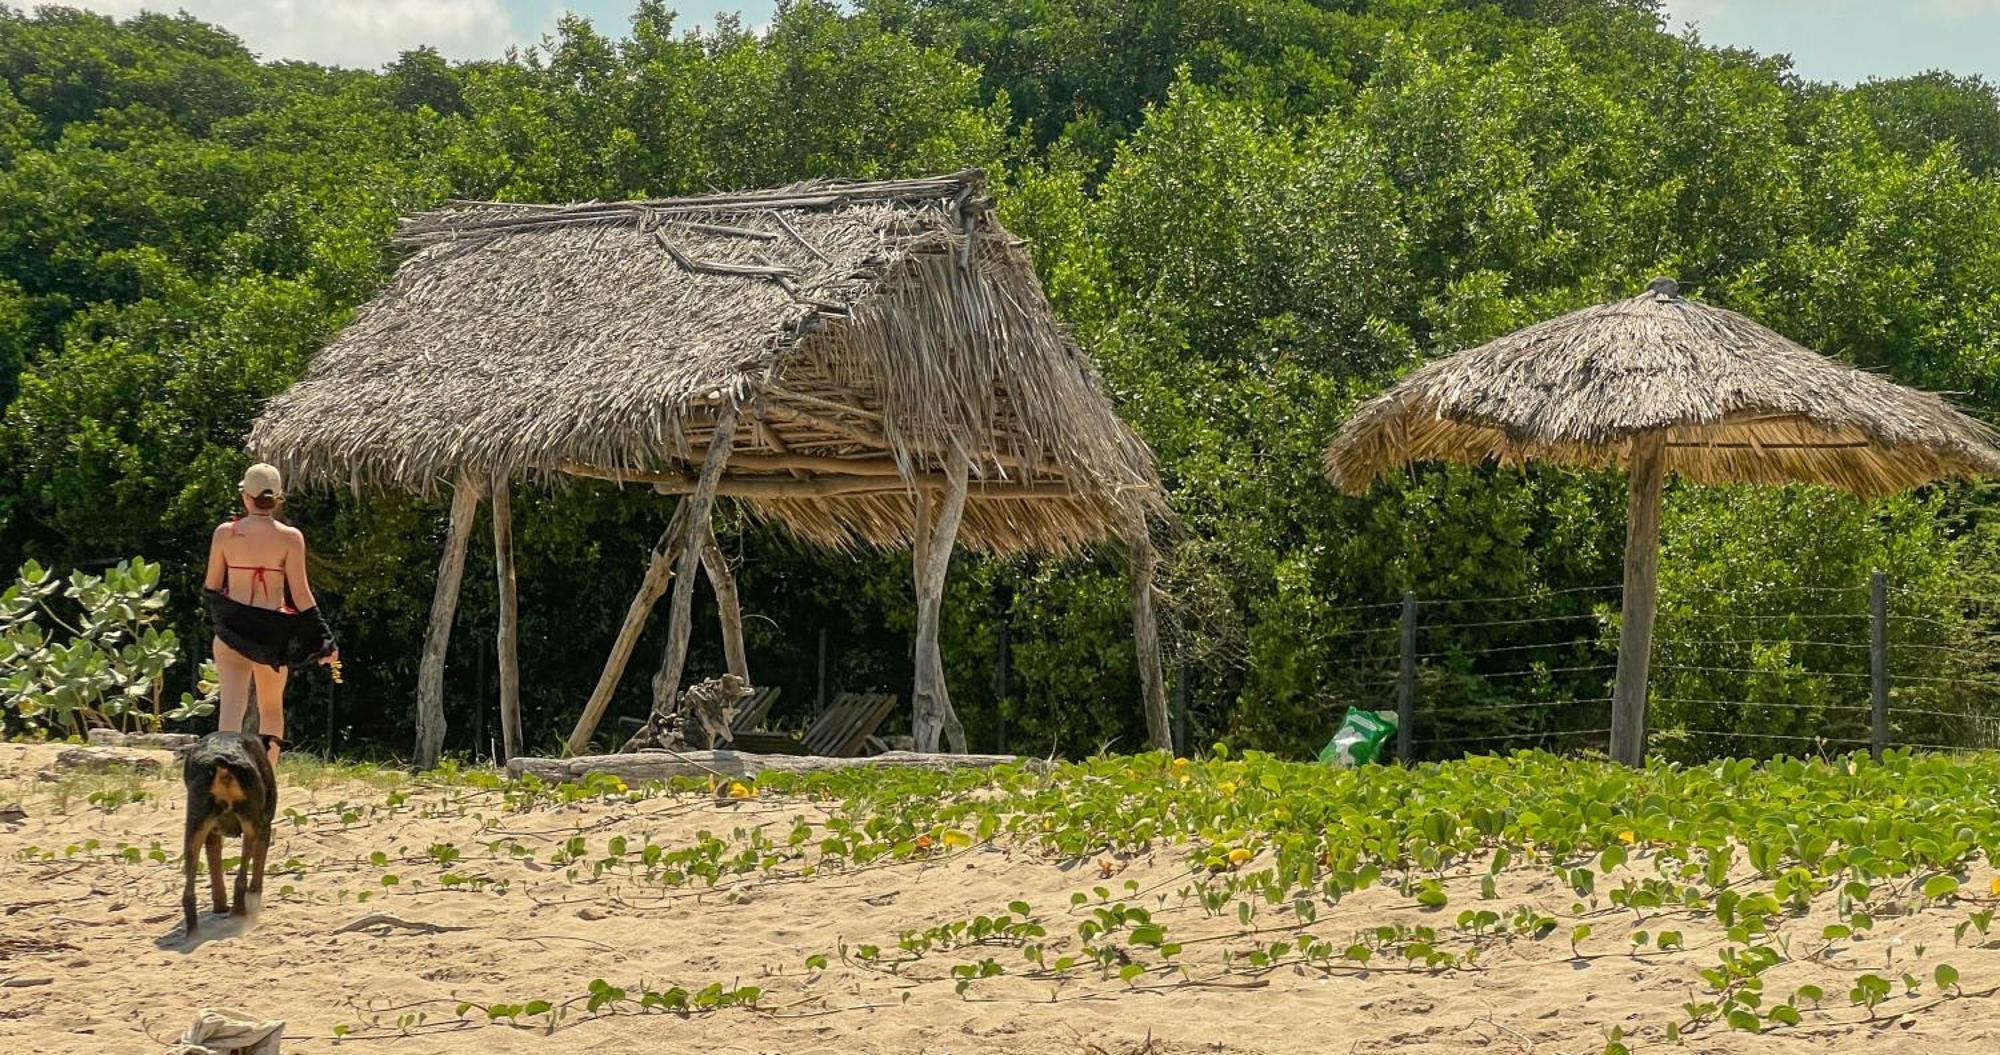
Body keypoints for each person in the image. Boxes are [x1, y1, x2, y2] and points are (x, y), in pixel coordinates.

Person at [202, 463, 337, 765]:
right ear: (278, 499)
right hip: (272, 634)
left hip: (233, 631)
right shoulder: (291, 537)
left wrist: (226, 619)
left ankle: (227, 774)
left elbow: (211, 587)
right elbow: (301, 595)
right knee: (271, 708)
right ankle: (268, 779)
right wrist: (325, 639)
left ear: (245, 497)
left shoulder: (225, 534)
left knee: (231, 708)